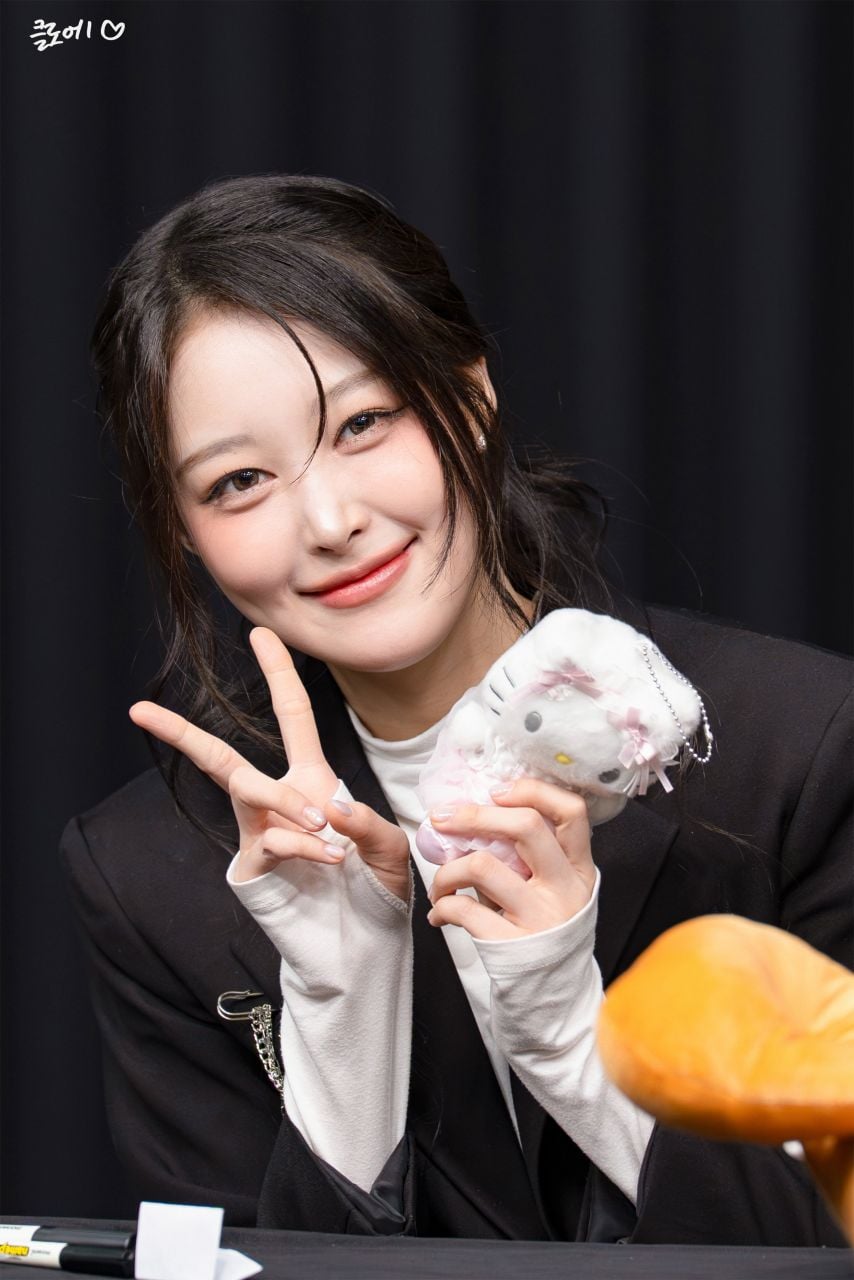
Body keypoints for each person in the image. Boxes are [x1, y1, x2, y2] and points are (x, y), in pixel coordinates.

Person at [60, 173, 852, 1246]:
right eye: (238, 481)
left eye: (363, 423)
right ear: (183, 529)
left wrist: (570, 1034)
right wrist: (345, 1017)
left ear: (470, 401)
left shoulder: (797, 754)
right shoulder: (153, 875)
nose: (329, 520)